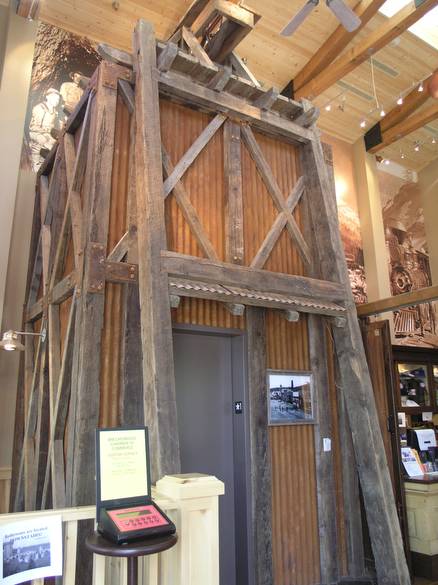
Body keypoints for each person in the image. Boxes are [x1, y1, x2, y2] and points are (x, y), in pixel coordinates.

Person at [28, 88, 62, 172]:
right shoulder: (40, 108)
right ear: (48, 97)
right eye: (55, 98)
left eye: (58, 99)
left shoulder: (54, 111)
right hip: (37, 134)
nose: (57, 101)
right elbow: (33, 127)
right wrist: (46, 131)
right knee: (42, 140)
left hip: (48, 135)